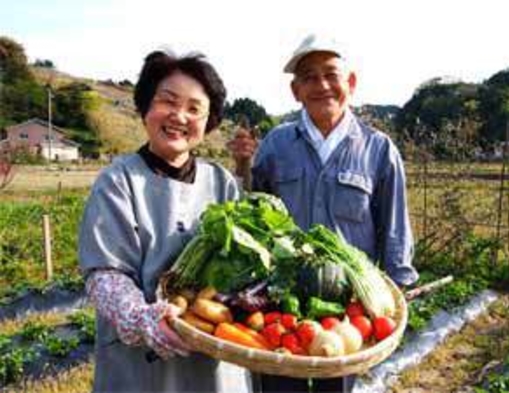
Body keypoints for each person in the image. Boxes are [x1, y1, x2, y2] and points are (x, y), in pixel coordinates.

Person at [230, 34, 419, 393]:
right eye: (309, 77)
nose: (322, 86)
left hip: (347, 312)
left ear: (350, 83)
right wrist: (242, 166)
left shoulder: (379, 150)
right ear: (295, 90)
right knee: (277, 387)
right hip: (280, 303)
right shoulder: (276, 144)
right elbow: (254, 213)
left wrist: (399, 291)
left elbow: (394, 228)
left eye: (331, 74)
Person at [78, 49, 239, 392]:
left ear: (208, 122)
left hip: (214, 358)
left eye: (195, 109)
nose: (180, 116)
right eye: (168, 101)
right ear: (145, 107)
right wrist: (143, 318)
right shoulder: (118, 180)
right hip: (139, 366)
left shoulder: (222, 182)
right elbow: (105, 274)